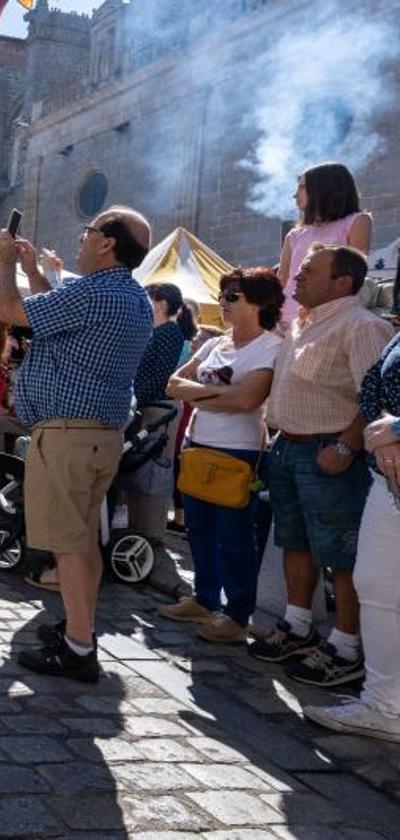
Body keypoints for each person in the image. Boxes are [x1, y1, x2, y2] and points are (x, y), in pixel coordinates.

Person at [0, 205, 154, 682]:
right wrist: (31, 272)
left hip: (68, 437)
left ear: (106, 243)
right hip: (96, 437)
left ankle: (79, 647)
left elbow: (10, 312)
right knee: (82, 542)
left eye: (88, 232)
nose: (81, 239)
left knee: (69, 544)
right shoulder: (128, 296)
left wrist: (4, 265)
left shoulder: (93, 292)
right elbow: (54, 318)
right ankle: (78, 629)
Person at [251, 244, 394, 687]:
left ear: (342, 282)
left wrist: (347, 448)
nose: (296, 276)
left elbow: (372, 396)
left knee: (342, 553)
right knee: (295, 540)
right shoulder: (302, 324)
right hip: (289, 449)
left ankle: (346, 645)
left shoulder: (361, 325)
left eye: (309, 270)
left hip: (330, 452)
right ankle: (297, 625)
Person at [160, 268, 284, 642]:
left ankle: (236, 614)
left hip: (239, 449)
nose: (223, 302)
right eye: (222, 294)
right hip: (198, 443)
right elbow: (173, 383)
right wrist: (220, 398)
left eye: (233, 296)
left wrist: (200, 394)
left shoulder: (271, 347)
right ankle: (204, 598)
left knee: (234, 537)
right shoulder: (217, 344)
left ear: (260, 303)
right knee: (199, 531)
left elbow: (249, 399)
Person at [305, 332, 400, 742]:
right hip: (388, 478)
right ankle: (384, 705)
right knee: (375, 584)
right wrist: (383, 433)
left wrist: (396, 426)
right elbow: (374, 383)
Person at [122, 282, 198, 595]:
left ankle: (150, 534)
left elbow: (154, 378)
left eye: (149, 298)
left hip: (158, 410)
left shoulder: (169, 333)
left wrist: (133, 398)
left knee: (154, 471)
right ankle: (136, 530)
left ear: (162, 302)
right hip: (146, 407)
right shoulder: (156, 331)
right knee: (138, 470)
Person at [279, 162, 372, 326]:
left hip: (329, 318)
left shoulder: (357, 221)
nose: (295, 195)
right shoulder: (294, 235)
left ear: (324, 189)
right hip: (285, 319)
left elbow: (354, 274)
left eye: (302, 187)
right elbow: (282, 281)